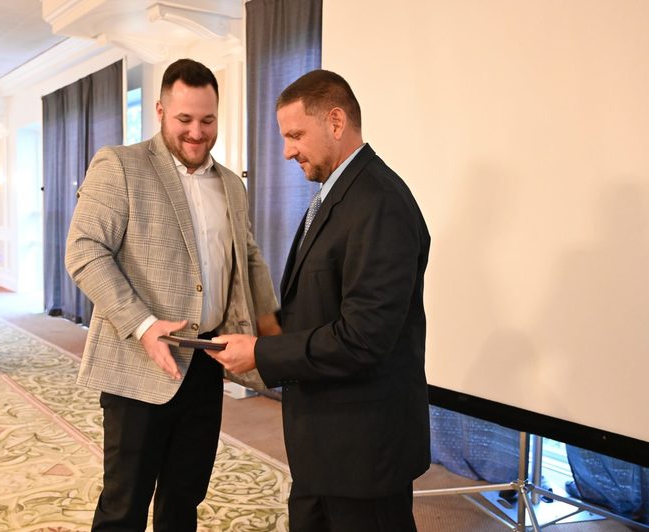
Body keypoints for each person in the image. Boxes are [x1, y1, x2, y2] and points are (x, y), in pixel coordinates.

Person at [208, 69, 431, 531]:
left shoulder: (380, 202)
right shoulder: (338, 195)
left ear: (335, 122)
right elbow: (321, 300)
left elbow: (363, 338)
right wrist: (267, 328)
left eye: (295, 135)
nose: (287, 150)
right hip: (326, 446)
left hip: (364, 453)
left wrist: (262, 353)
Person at [65, 58, 280, 532]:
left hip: (206, 362)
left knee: (184, 499)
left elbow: (248, 259)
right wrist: (143, 325)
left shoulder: (230, 184)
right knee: (124, 504)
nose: (196, 133)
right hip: (139, 364)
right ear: (160, 110)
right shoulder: (120, 165)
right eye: (184, 119)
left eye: (207, 121)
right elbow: (83, 251)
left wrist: (272, 332)